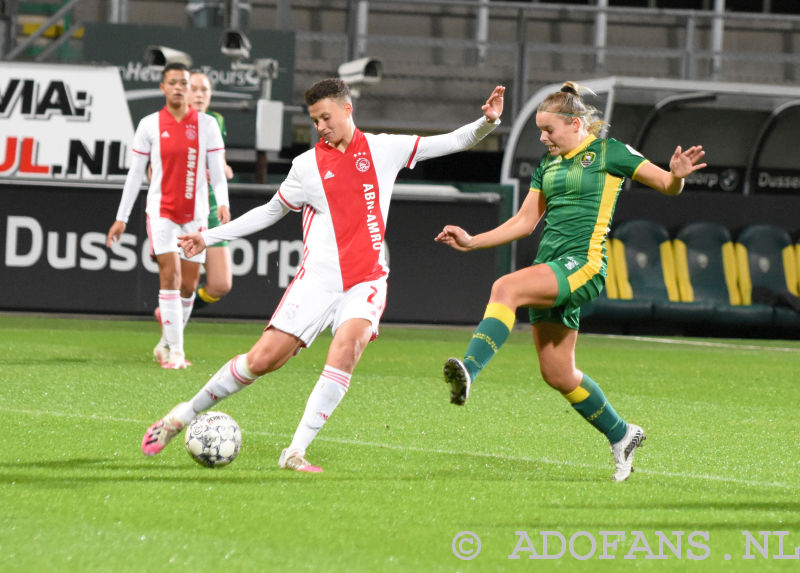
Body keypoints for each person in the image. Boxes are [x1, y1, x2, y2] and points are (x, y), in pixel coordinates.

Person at [139, 78, 506, 471]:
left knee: (347, 349)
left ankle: (295, 451)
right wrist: (209, 236)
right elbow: (269, 211)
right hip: (317, 281)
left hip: (367, 280)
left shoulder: (384, 149)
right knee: (262, 361)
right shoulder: (307, 166)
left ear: (348, 110)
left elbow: (449, 142)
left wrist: (487, 123)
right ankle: (181, 415)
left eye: (325, 117)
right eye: (314, 120)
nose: (320, 127)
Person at [436, 81, 706, 482]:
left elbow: (667, 184)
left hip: (583, 265)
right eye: (540, 132)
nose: (543, 138)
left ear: (576, 123)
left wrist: (678, 176)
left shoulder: (609, 152)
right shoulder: (548, 166)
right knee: (558, 373)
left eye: (549, 131)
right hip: (552, 266)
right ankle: (622, 434)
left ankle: (469, 371)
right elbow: (525, 222)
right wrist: (474, 240)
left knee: (505, 288)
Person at [106, 62, 230, 369]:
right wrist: (122, 217)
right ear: (163, 88)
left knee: (189, 284)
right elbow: (135, 175)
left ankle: (165, 344)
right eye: (172, 82)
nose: (178, 87)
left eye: (183, 83)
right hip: (161, 212)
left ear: (189, 89)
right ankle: (176, 352)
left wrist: (224, 202)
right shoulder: (149, 125)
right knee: (170, 276)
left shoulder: (208, 125)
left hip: (196, 213)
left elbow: (217, 170)